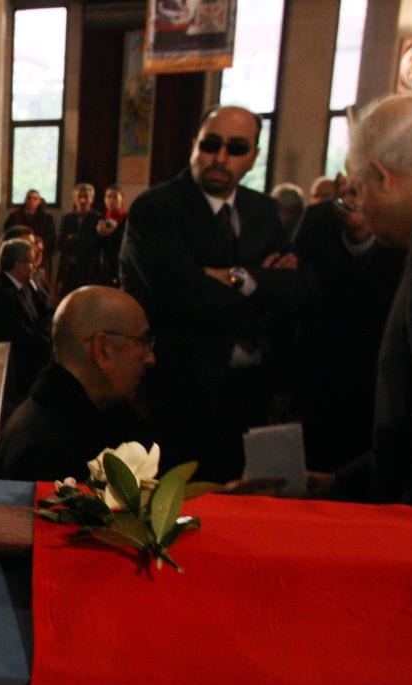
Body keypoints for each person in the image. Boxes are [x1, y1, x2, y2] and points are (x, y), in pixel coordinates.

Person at [119, 105, 304, 482]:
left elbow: (299, 289)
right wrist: (263, 286)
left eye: (236, 148)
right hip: (178, 391)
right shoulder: (156, 208)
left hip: (251, 393)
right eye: (211, 144)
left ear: (253, 156)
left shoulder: (264, 210)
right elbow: (184, 296)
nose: (220, 158)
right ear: (194, 145)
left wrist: (233, 277)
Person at [325, 94, 412, 505]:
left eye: (356, 191)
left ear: (381, 176)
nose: (362, 211)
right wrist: (345, 481)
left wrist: (408, 519)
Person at [0, 286, 155, 482]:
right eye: (143, 341)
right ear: (103, 350)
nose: (150, 358)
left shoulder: (75, 417)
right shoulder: (43, 453)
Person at [293, 174, 404, 471]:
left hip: (376, 380)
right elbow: (295, 287)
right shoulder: (318, 220)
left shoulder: (404, 224)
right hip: (317, 373)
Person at [0, 238, 51, 423]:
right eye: (31, 262)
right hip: (16, 369)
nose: (34, 266)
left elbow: (43, 313)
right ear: (19, 265)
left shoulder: (22, 286)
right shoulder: (1, 294)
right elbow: (21, 337)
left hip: (29, 356)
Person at [56, 183, 109, 297]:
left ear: (92, 199)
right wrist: (81, 239)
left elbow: (95, 243)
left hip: (89, 270)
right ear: (75, 199)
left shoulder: (98, 218)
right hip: (69, 270)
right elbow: (60, 244)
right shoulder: (67, 218)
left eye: (86, 196)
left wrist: (73, 238)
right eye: (79, 196)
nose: (83, 200)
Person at [4, 189, 57, 276]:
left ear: (39, 201)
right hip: (18, 256)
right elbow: (8, 234)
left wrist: (38, 248)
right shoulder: (14, 216)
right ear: (25, 200)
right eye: (29, 198)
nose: (31, 201)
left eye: (35, 199)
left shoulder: (46, 218)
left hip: (40, 258)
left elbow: (51, 237)